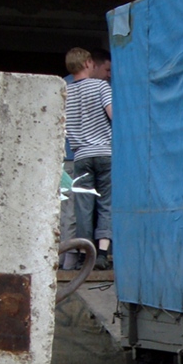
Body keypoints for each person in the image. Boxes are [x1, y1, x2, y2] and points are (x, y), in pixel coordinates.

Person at [64, 47, 113, 271]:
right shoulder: (102, 86)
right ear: (86, 64)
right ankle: (102, 253)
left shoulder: (65, 92)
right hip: (104, 153)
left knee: (83, 208)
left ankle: (85, 255)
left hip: (80, 156)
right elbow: (113, 115)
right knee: (106, 204)